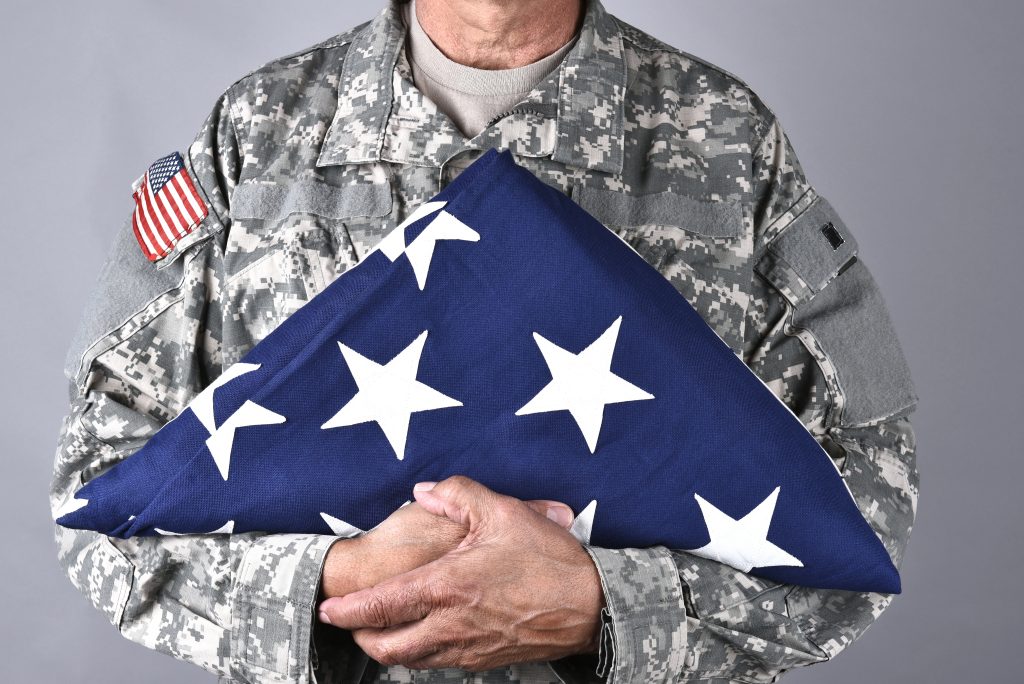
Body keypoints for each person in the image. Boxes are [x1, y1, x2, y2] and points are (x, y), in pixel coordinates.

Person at [50, 0, 920, 682]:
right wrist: (333, 580)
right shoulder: (255, 137)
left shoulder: (729, 144)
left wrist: (607, 606)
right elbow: (102, 497)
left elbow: (864, 512)